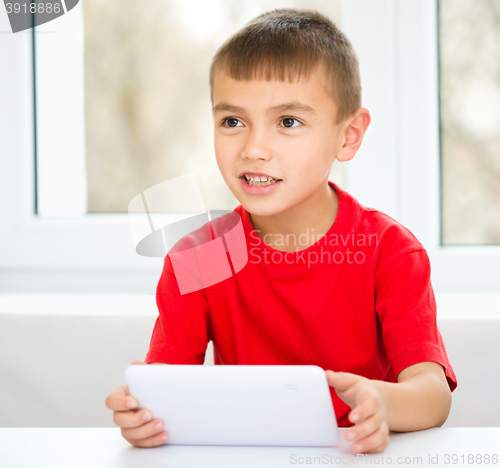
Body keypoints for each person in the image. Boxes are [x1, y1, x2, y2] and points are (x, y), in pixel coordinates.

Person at [105, 8, 457, 454]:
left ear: (348, 136)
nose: (254, 148)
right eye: (232, 121)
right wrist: (144, 414)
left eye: (288, 122)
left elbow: (433, 395)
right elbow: (167, 389)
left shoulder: (390, 251)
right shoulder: (198, 256)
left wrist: (384, 403)